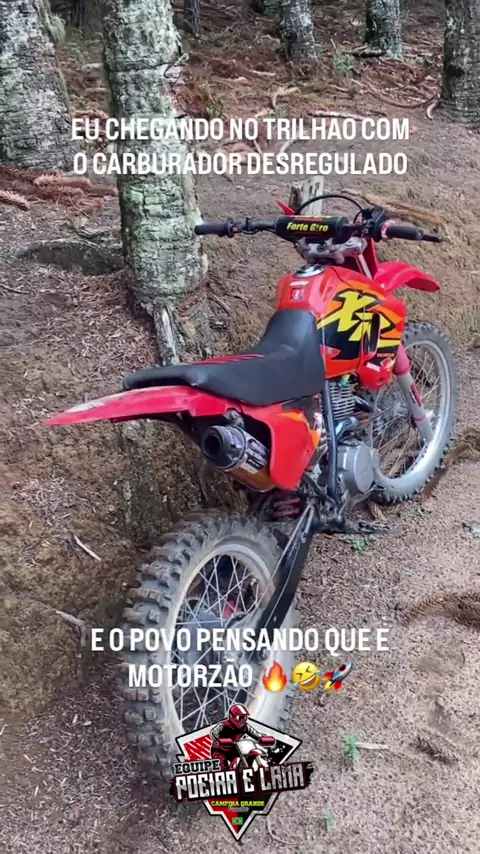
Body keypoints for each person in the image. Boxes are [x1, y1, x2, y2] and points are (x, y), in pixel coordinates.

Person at [210, 703, 272, 771]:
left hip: (234, 748)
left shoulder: (245, 727)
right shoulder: (223, 725)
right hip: (220, 750)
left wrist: (263, 738)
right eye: (239, 717)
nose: (242, 720)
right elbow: (214, 732)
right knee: (223, 768)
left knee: (245, 756)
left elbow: (255, 733)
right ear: (232, 716)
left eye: (244, 717)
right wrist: (219, 740)